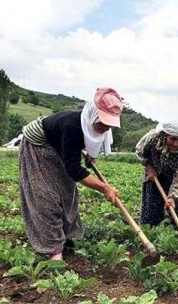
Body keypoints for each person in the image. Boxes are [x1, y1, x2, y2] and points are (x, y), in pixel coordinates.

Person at [18, 88, 122, 261]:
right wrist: (104, 187)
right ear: (92, 116)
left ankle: (69, 237)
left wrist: (91, 155)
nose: (105, 128)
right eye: (102, 124)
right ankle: (51, 248)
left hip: (57, 145)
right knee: (45, 196)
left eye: (109, 125)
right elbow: (73, 169)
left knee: (68, 193)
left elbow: (88, 142)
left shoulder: (100, 128)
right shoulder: (72, 126)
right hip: (37, 145)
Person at [135, 122, 178, 239]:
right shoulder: (152, 138)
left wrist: (173, 198)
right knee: (151, 201)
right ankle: (148, 231)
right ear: (165, 136)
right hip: (154, 171)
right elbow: (139, 151)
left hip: (175, 175)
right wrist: (149, 166)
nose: (176, 144)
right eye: (172, 139)